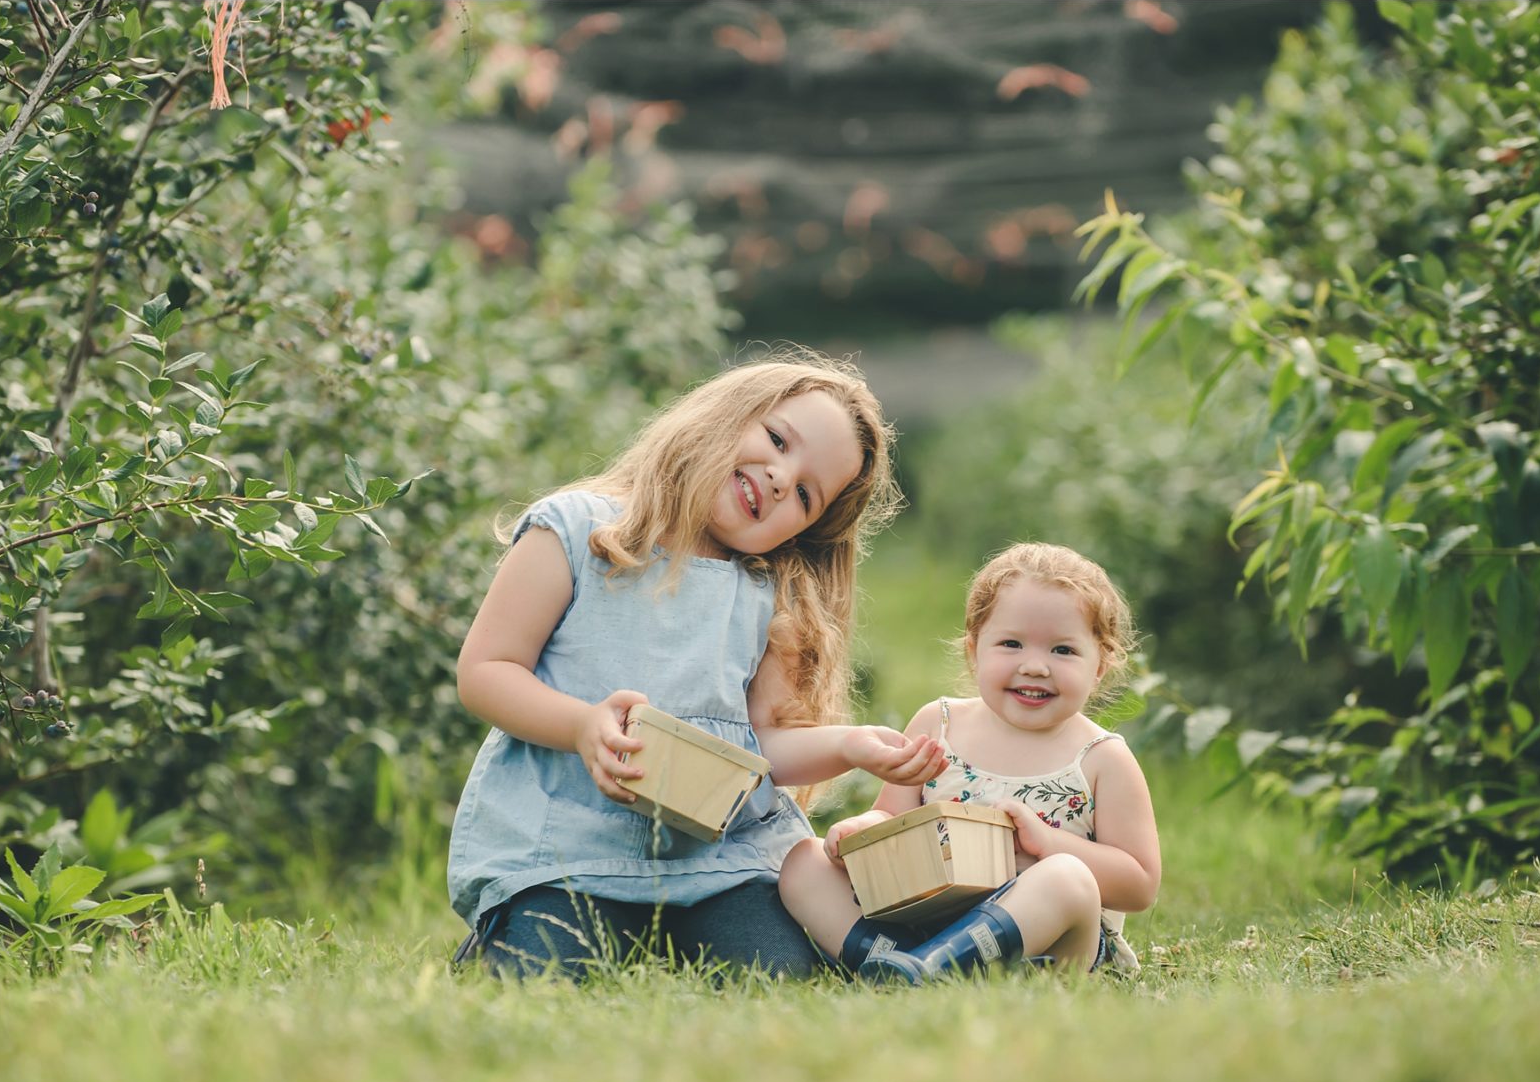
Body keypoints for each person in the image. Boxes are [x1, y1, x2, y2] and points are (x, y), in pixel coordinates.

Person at [448, 351, 946, 977]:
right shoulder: (578, 532)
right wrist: (581, 726)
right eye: (776, 440)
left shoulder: (769, 594)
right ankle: (505, 932)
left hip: (719, 864)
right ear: (725, 414)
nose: (777, 477)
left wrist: (849, 745)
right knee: (546, 972)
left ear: (803, 531)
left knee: (781, 974)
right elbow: (487, 670)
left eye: (803, 493)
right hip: (568, 853)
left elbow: (763, 747)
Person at [778, 541, 1160, 979]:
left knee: (1067, 878)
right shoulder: (938, 724)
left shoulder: (1100, 758)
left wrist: (1048, 845)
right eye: (1011, 644)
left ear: (1100, 666)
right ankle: (894, 960)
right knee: (803, 861)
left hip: (1047, 948)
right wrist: (865, 830)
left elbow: (1140, 884)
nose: (1035, 666)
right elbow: (891, 817)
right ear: (974, 650)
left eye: (1063, 651)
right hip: (925, 920)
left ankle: (930, 968)